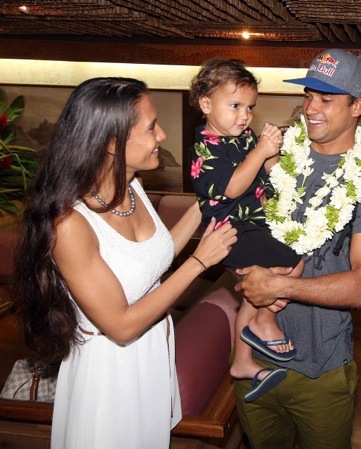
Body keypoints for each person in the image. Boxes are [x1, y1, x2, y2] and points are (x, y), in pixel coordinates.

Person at [14, 77, 238, 449]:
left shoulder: (130, 186)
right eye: (151, 127)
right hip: (111, 373)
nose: (162, 135)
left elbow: (158, 254)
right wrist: (200, 261)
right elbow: (120, 326)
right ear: (112, 143)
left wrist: (213, 197)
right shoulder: (69, 224)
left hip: (150, 355)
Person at [233, 49, 361, 449]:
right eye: (308, 96)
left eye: (326, 99)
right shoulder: (272, 161)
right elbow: (228, 218)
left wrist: (280, 288)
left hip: (321, 373)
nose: (311, 108)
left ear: (358, 106)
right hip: (253, 362)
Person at [188, 58, 305, 402]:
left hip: (255, 225)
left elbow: (266, 171)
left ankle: (242, 361)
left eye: (250, 107)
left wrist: (276, 152)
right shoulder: (206, 146)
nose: (244, 115)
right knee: (293, 260)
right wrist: (259, 151)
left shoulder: (243, 138)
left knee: (252, 297)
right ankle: (266, 321)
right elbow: (234, 187)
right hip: (232, 232)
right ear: (206, 104)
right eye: (235, 105)